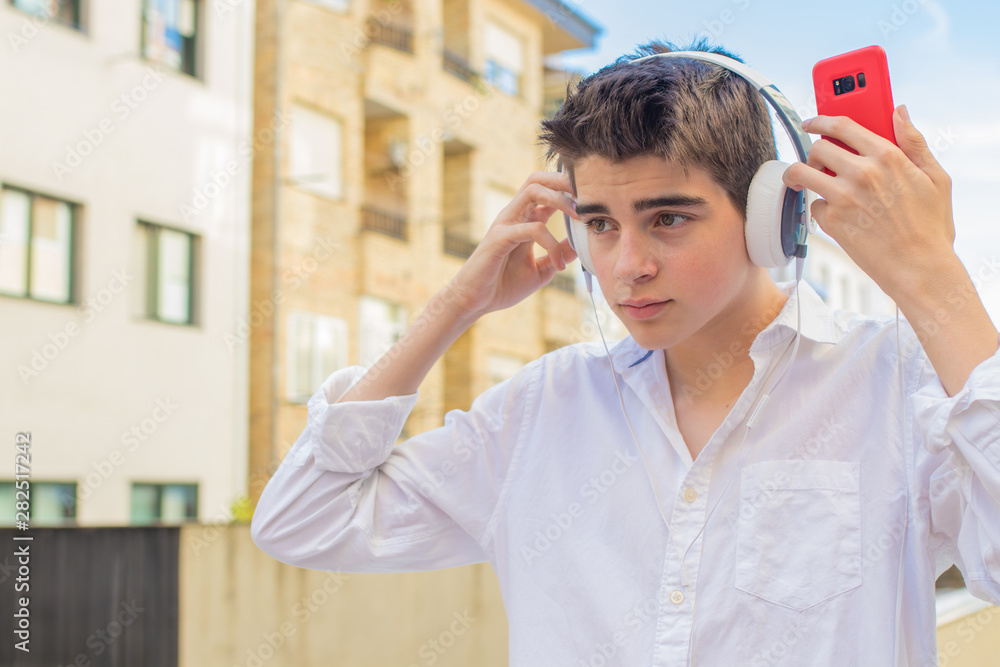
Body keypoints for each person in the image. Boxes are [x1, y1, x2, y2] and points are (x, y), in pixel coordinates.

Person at [251, 39, 1000, 665]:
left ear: (774, 215)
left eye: (667, 217)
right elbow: (301, 518)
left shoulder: (900, 384)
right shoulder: (541, 409)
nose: (625, 265)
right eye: (599, 223)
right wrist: (458, 303)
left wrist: (933, 275)